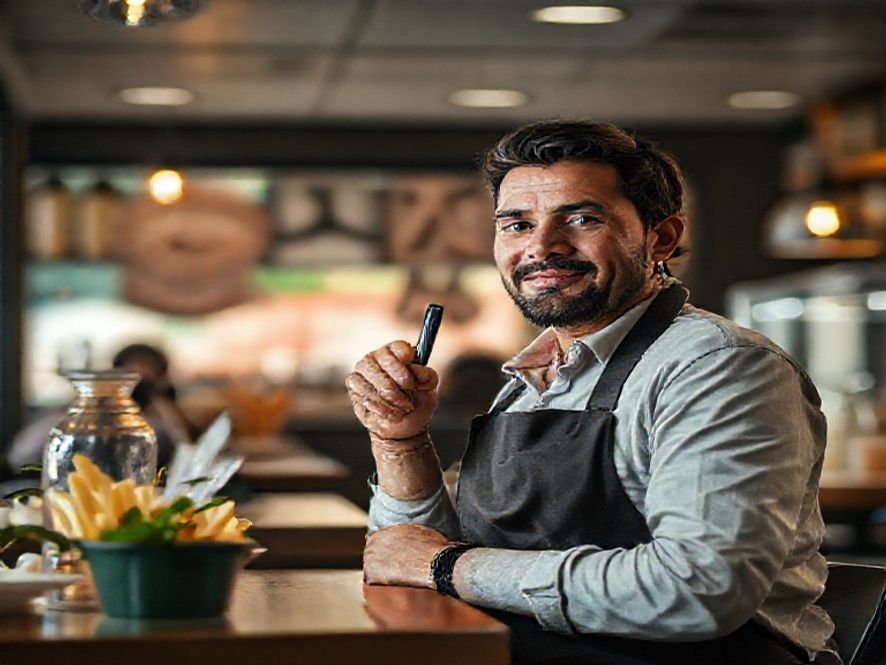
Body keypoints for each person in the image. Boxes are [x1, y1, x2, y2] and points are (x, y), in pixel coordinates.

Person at [346, 120, 838, 665]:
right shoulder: (531, 380)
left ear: (662, 238)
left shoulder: (719, 367)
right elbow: (404, 562)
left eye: (581, 219)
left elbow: (699, 591)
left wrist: (448, 567)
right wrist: (400, 442)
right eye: (516, 224)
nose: (542, 247)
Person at [8, 343, 193, 472]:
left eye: (147, 378)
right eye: (133, 374)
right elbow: (20, 456)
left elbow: (185, 455)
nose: (140, 384)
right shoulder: (77, 416)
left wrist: (164, 406)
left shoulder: (160, 422)